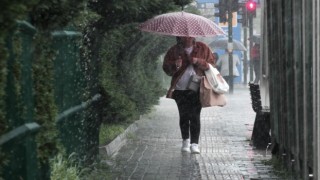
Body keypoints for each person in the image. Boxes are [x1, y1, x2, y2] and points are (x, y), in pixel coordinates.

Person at [162, 36, 215, 154]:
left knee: (195, 115)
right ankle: (185, 140)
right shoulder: (174, 50)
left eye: (189, 35)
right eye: (184, 36)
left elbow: (211, 65)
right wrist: (175, 65)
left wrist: (198, 61)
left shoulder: (203, 48)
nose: (187, 38)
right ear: (179, 37)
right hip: (180, 88)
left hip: (196, 86)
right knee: (184, 115)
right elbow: (166, 68)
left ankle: (194, 144)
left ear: (193, 36)